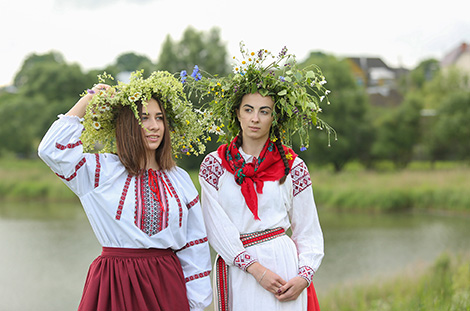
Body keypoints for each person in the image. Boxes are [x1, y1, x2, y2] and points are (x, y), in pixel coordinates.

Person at [38, 70, 212, 311]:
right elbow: (52, 151)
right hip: (115, 283)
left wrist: (196, 303)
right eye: (144, 118)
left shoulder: (179, 179)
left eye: (159, 117)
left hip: (167, 284)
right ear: (129, 124)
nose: (154, 126)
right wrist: (88, 99)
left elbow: (195, 246)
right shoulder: (101, 172)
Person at [196, 43, 332, 311]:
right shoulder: (214, 165)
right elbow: (216, 227)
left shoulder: (293, 166)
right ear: (237, 113)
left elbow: (308, 230)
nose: (255, 118)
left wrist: (303, 277)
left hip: (284, 269)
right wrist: (255, 269)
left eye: (264, 111)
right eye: (248, 109)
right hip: (239, 269)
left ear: (274, 117)